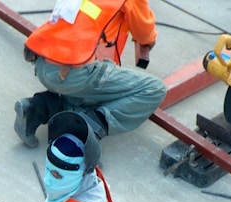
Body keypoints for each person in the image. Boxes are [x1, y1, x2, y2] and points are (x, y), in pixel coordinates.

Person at [14, 0, 167, 148]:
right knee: (154, 89)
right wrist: (149, 38)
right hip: (73, 72)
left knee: (92, 90)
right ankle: (86, 129)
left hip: (42, 61)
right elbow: (144, 33)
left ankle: (37, 108)